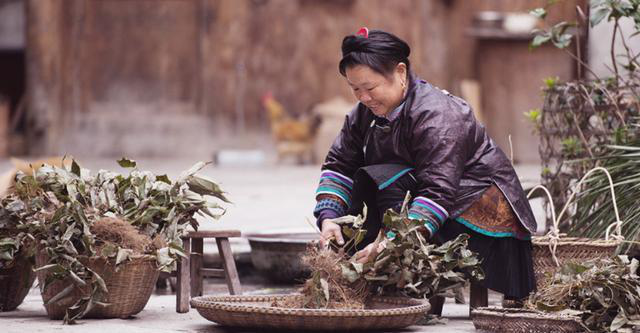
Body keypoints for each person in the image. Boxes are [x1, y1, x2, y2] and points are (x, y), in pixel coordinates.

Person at [313, 27, 537, 303]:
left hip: (481, 222)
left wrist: (391, 243)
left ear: (401, 73)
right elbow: (339, 165)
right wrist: (329, 218)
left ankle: (406, 282)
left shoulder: (438, 115)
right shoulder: (362, 114)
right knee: (370, 182)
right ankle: (373, 276)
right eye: (355, 89)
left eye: (370, 88)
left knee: (388, 181)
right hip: (432, 206)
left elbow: (437, 191)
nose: (363, 98)